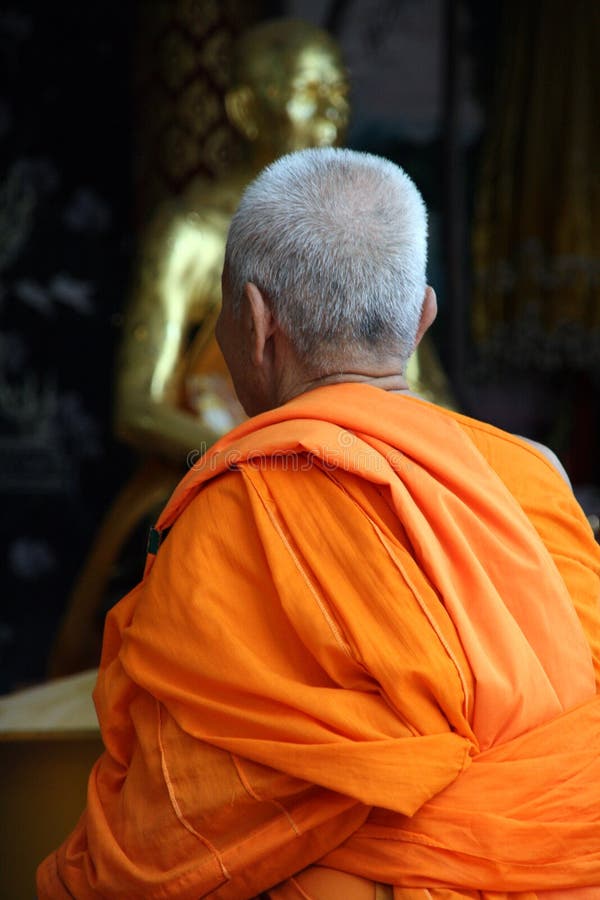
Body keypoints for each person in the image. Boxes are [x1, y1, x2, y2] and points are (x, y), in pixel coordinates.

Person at [37, 148, 600, 899]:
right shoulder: (534, 475)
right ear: (424, 315)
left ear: (256, 322)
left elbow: (174, 825)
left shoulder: (234, 513)